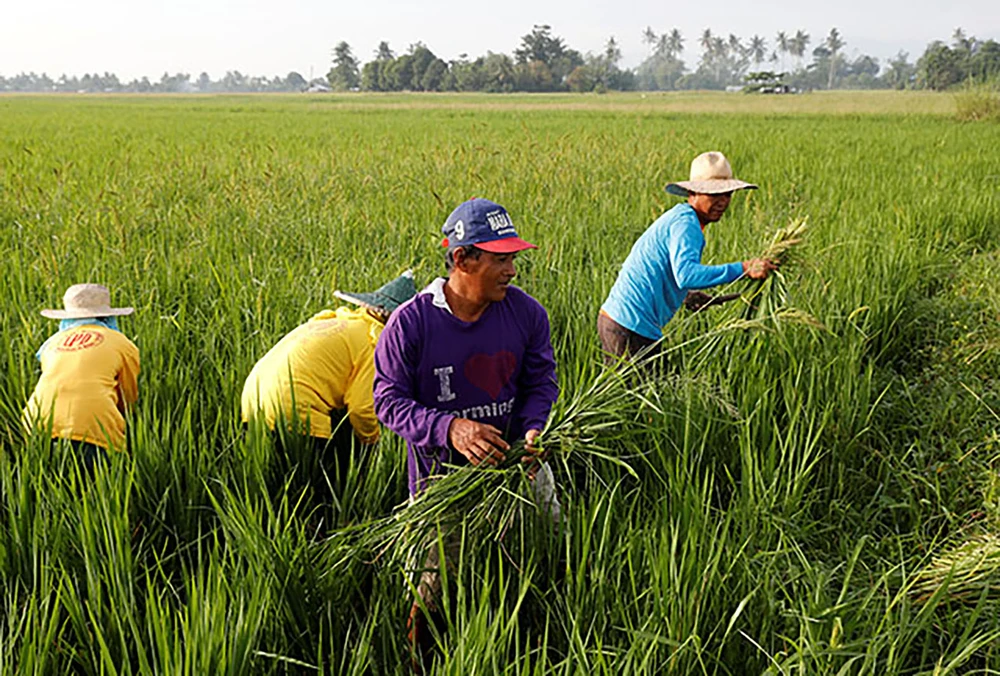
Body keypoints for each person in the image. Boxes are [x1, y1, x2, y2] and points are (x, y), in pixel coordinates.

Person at [372, 198, 559, 667]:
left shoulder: (527, 315)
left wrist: (534, 429)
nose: (512, 269)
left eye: (514, 257)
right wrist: (449, 428)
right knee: (434, 584)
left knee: (543, 552)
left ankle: (533, 636)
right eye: (501, 259)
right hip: (442, 485)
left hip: (518, 468)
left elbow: (542, 382)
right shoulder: (411, 323)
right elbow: (387, 402)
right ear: (462, 259)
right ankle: (419, 658)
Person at [240, 271, 416, 496]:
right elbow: (362, 408)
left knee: (271, 488)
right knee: (313, 494)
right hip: (293, 406)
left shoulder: (340, 322)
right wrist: (373, 448)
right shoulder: (374, 342)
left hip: (253, 399)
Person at [598, 151, 777, 362]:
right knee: (645, 391)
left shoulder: (681, 218)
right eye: (714, 194)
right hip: (628, 327)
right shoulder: (686, 224)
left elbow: (669, 271)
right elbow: (686, 274)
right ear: (693, 193)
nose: (722, 202)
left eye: (727, 194)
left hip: (623, 323)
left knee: (650, 388)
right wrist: (744, 268)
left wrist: (686, 295)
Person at [23, 283, 140, 473]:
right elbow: (127, 396)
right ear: (107, 316)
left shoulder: (51, 344)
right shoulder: (122, 344)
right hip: (93, 423)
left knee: (50, 480)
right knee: (100, 484)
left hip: (36, 422)